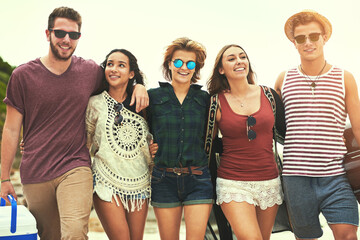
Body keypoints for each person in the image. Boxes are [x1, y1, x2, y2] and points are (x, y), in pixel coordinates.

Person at [0, 7, 148, 240]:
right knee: (51, 235)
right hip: (35, 171)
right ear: (47, 34)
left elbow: (117, 80)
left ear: (79, 37)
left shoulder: (89, 71)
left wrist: (138, 85)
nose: (66, 39)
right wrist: (4, 178)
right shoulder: (22, 75)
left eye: (74, 34)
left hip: (75, 166)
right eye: (60, 33)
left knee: (74, 233)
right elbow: (10, 129)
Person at [274, 10, 360, 240]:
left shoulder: (345, 78)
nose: (308, 42)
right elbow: (277, 129)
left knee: (348, 236)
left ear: (325, 37)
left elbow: (359, 128)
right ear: (294, 42)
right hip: (295, 178)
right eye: (301, 38)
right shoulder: (283, 79)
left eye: (314, 36)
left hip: (335, 174)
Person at [207, 44, 285, 240]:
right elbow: (207, 144)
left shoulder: (269, 95)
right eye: (231, 58)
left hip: (269, 181)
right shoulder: (215, 102)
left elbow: (287, 134)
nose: (239, 61)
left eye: (243, 57)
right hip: (233, 182)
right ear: (221, 69)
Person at [147, 37, 213, 240]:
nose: (184, 67)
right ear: (170, 64)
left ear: (196, 68)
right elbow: (140, 131)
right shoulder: (152, 97)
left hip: (198, 178)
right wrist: (147, 147)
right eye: (178, 62)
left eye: (190, 63)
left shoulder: (206, 99)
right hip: (163, 179)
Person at [85, 48, 152, 240]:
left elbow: (152, 140)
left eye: (121, 65)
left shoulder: (144, 102)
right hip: (105, 181)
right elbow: (82, 143)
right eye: (110, 64)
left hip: (139, 183)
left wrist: (153, 149)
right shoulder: (94, 103)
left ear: (131, 73)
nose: (114, 69)